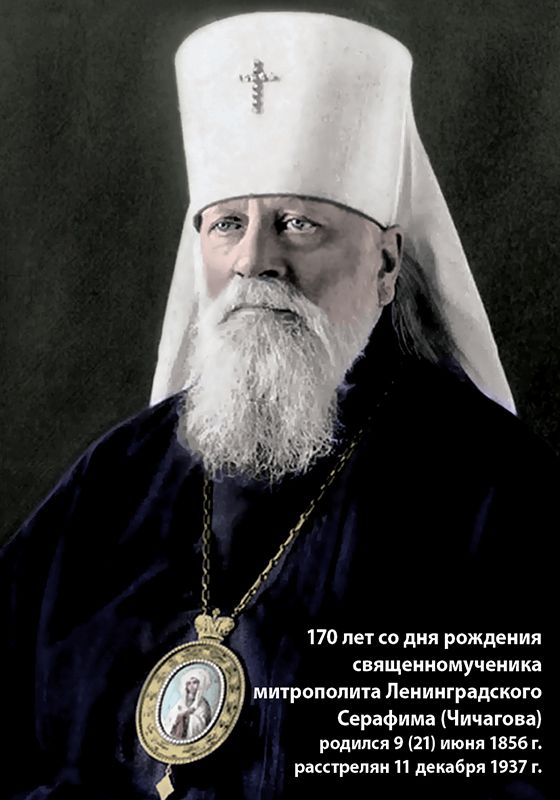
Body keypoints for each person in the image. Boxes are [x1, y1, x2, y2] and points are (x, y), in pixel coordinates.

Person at [0, 11, 556, 800]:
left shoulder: (494, 489)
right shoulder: (116, 477)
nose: (255, 260)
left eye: (298, 224)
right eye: (228, 224)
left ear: (387, 263)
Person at [165, 669, 213, 741]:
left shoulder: (203, 704)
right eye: (189, 683)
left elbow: (203, 723)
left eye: (194, 682)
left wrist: (187, 716)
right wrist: (180, 715)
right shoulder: (181, 702)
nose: (191, 686)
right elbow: (171, 717)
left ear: (200, 685)